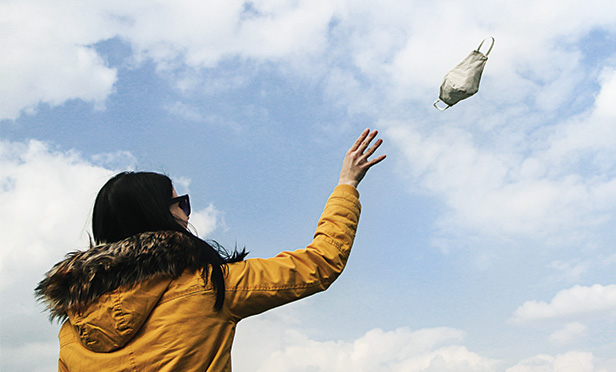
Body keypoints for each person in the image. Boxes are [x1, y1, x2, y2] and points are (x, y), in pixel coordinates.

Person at [36, 129, 386, 372]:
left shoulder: (74, 323)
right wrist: (346, 184)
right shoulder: (210, 286)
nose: (188, 214)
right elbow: (320, 262)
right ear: (160, 214)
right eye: (181, 204)